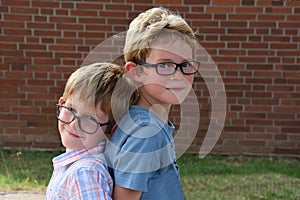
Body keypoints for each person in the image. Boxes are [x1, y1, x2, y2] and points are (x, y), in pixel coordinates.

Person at [106, 7, 199, 200]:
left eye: (186, 65)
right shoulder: (147, 132)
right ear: (136, 72)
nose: (178, 75)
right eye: (164, 65)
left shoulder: (144, 123)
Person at [46, 62, 137, 200]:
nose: (74, 123)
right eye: (71, 109)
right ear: (61, 104)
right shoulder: (75, 166)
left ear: (111, 129)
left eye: (89, 118)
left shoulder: (85, 172)